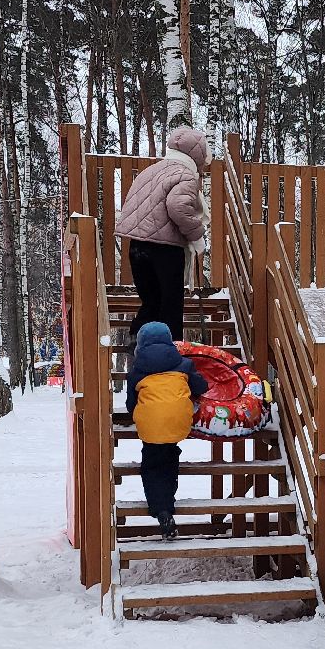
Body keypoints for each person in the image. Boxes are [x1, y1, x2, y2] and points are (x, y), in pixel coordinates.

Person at [112, 126, 209, 339]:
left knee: (151, 302)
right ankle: (171, 355)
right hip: (165, 249)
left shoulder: (151, 171)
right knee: (170, 306)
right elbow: (178, 207)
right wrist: (196, 235)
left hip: (137, 246)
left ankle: (138, 348)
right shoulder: (184, 174)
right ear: (196, 155)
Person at [126, 321, 209, 539]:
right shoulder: (183, 364)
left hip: (150, 426)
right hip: (178, 423)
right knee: (169, 457)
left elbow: (130, 404)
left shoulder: (136, 370)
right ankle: (168, 502)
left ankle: (161, 510)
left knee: (152, 467)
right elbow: (201, 387)